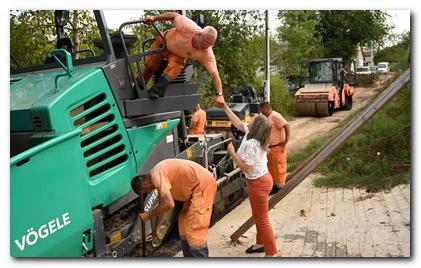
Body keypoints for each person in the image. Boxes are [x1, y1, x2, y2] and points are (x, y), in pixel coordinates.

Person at [222, 102, 277, 256]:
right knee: (259, 216)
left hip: (258, 183)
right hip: (259, 181)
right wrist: (225, 107)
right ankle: (260, 244)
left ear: (256, 126)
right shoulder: (252, 134)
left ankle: (271, 254)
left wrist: (232, 153)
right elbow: (238, 123)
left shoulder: (252, 143)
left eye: (253, 119)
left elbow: (246, 168)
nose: (250, 120)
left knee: (263, 219)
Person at [134, 158, 217, 257]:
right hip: (194, 191)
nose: (149, 192)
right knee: (183, 224)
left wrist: (148, 215)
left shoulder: (157, 176)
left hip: (202, 186)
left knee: (194, 229)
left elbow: (170, 204)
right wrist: (156, 228)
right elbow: (162, 205)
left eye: (145, 191)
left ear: (143, 183)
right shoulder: (158, 176)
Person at [140, 12, 225, 108]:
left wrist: (219, 95)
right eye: (205, 42)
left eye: (210, 44)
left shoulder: (207, 54)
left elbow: (215, 74)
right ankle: (138, 87)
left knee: (176, 66)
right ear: (199, 34)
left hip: (178, 54)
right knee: (151, 65)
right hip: (164, 42)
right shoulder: (188, 26)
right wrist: (154, 18)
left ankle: (156, 91)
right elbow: (174, 15)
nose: (206, 46)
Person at [259, 102, 290, 195]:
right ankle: (274, 186)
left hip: (277, 146)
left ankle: (281, 188)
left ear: (266, 108)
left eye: (262, 110)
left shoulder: (275, 115)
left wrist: (286, 140)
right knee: (271, 168)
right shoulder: (267, 118)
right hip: (270, 147)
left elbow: (286, 125)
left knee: (279, 168)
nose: (261, 112)